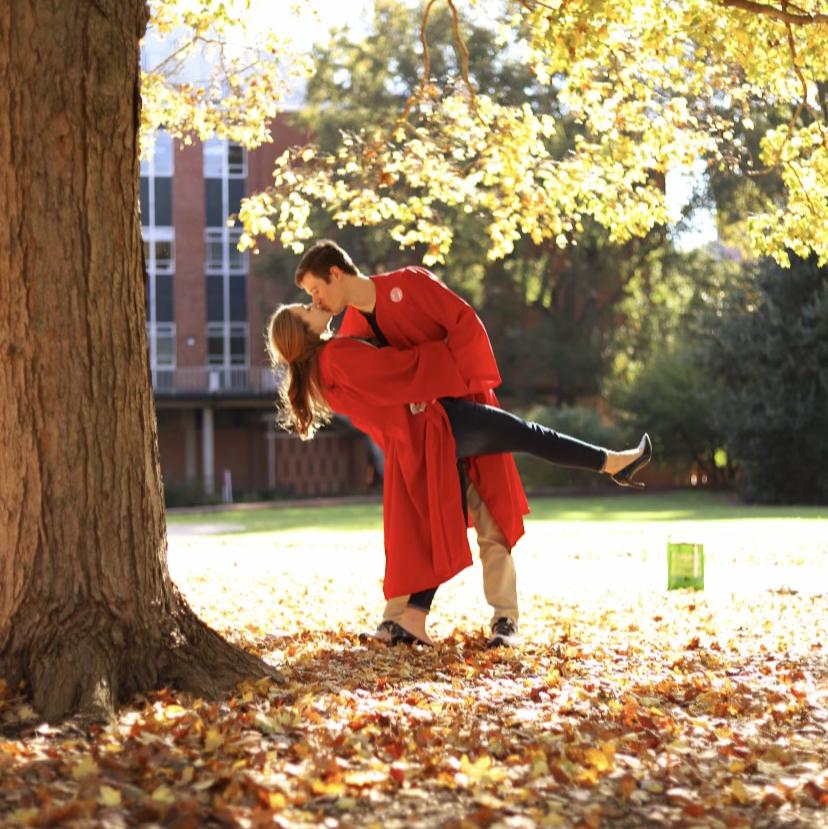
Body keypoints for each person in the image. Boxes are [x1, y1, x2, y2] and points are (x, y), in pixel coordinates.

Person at [266, 301, 652, 645]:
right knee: (529, 434)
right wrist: (447, 349)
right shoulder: (337, 356)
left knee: (441, 525)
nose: (312, 304)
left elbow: (383, 391)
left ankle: (413, 618)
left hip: (422, 441)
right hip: (440, 424)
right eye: (305, 310)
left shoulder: (320, 378)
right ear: (303, 333)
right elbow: (399, 369)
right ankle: (612, 462)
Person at [294, 241, 528, 649]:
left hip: (469, 412)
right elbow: (376, 396)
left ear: (336, 272)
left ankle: (505, 619)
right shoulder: (351, 334)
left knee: (491, 515)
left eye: (316, 290)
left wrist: (442, 384)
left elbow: (465, 327)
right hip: (422, 436)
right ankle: (396, 618)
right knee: (413, 522)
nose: (315, 300)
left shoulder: (409, 284)